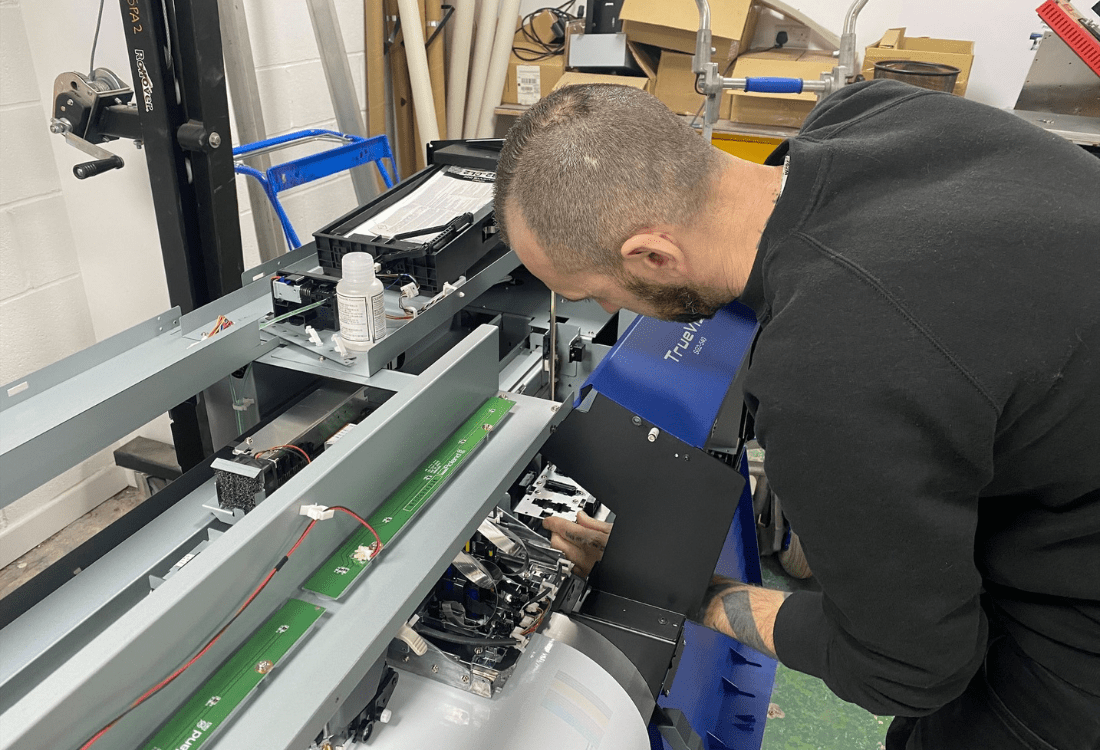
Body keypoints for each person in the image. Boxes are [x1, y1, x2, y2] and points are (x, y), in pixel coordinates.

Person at [494, 80, 1100, 749]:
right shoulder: (876, 113)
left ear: (654, 257)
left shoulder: (836, 369)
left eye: (596, 293)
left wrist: (685, 589)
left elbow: (910, 670)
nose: (606, 314)